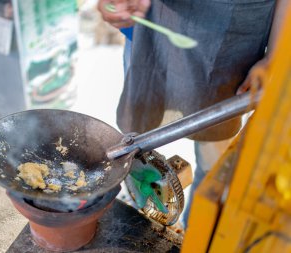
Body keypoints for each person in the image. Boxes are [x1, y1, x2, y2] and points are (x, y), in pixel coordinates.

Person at [97, 0, 286, 228]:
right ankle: (141, 203)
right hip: (154, 24)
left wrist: (276, 54)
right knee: (135, 143)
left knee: (215, 165)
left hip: (232, 38)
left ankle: (195, 232)